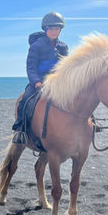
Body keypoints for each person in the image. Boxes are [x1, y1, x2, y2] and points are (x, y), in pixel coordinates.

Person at [11, 12, 69, 144]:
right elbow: (30, 66)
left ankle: (88, 123)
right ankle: (21, 129)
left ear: (60, 30)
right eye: (51, 28)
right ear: (46, 29)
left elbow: (66, 67)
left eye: (57, 29)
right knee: (25, 100)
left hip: (58, 82)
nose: (54, 31)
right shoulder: (36, 46)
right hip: (40, 81)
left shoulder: (63, 47)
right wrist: (36, 81)